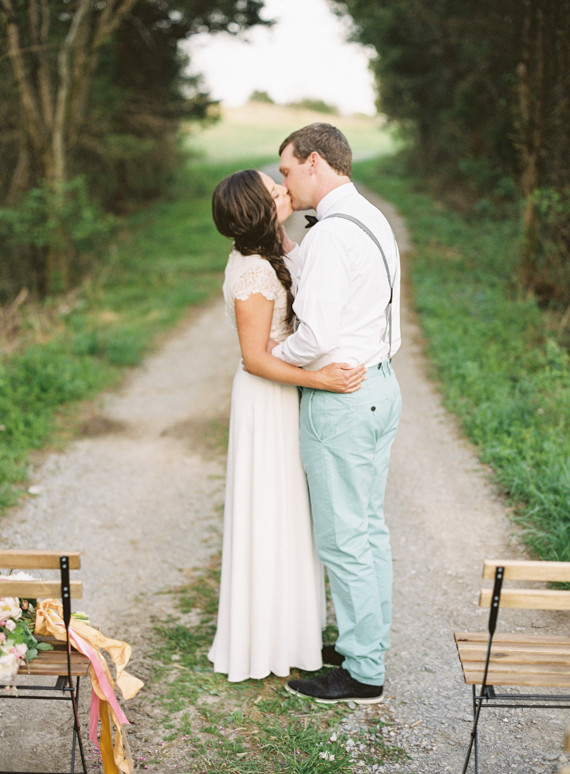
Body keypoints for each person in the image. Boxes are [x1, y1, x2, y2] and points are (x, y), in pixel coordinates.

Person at [208, 168, 366, 682]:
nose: (283, 190)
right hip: (265, 400)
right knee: (270, 513)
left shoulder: (275, 250)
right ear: (258, 207)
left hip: (282, 395)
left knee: (290, 515)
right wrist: (321, 380)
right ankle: (264, 641)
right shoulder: (252, 271)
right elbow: (255, 358)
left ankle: (292, 633)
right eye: (273, 189)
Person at [271, 123, 402, 703]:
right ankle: (363, 642)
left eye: (287, 170)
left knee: (345, 537)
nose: (285, 181)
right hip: (379, 387)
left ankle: (363, 671)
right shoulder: (368, 218)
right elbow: (337, 295)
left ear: (315, 162)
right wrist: (285, 247)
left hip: (342, 399)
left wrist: (270, 356)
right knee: (367, 528)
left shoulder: (331, 235)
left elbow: (317, 335)